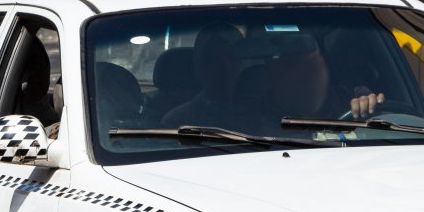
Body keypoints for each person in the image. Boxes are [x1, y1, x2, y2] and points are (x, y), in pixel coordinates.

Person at [252, 34, 386, 131]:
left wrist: (372, 110)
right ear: (270, 77)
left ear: (325, 66)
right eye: (288, 68)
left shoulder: (350, 103)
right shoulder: (249, 118)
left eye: (309, 68)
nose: (300, 75)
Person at [163, 22, 245, 128]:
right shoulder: (177, 121)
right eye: (211, 59)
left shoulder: (263, 110)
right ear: (198, 67)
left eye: (230, 56)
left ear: (242, 62)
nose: (224, 66)